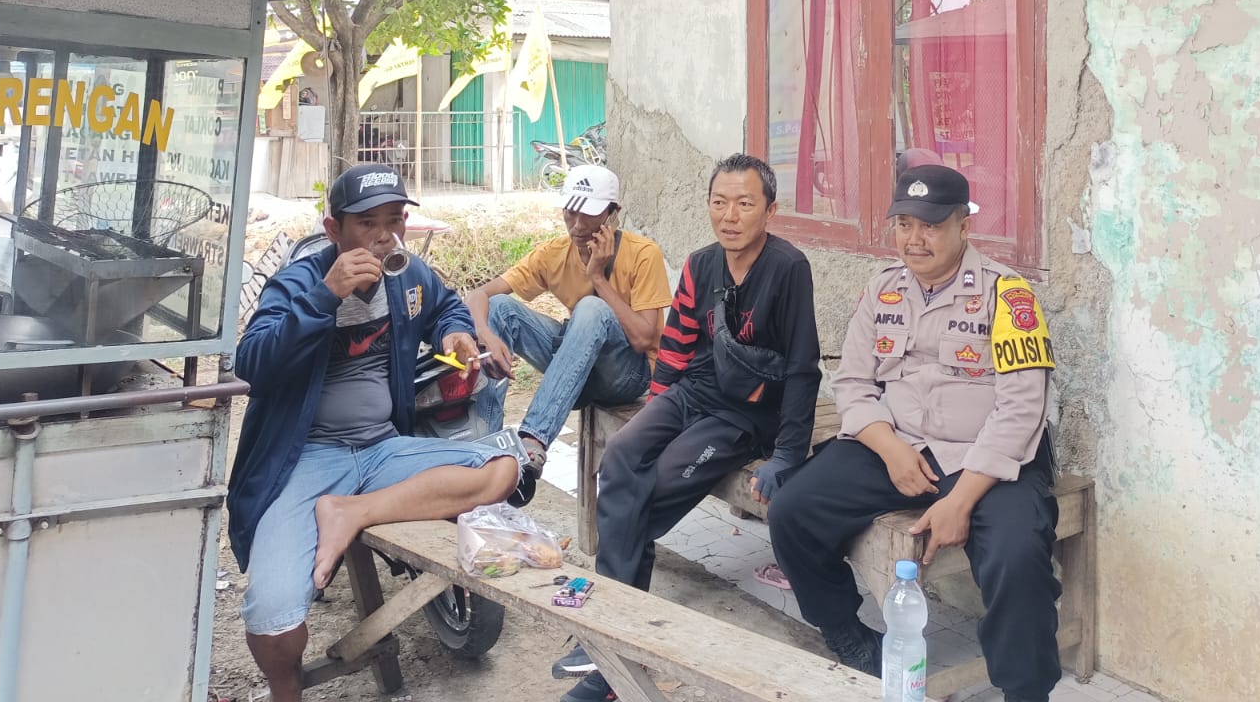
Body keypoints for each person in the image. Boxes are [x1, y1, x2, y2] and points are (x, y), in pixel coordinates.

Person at [227, 163, 523, 702]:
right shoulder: (298, 283)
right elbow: (252, 363)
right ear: (333, 229)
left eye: (394, 220)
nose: (385, 236)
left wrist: (455, 333)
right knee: (272, 619)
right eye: (367, 223)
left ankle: (352, 511)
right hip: (307, 458)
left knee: (506, 466)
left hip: (383, 448)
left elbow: (446, 305)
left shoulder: (407, 276)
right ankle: (284, 691)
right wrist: (325, 297)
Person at [766, 165, 1061, 702]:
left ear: (963, 226)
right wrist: (891, 450)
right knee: (792, 510)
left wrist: (959, 502)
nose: (914, 239)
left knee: (1017, 556)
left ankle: (1025, 691)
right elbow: (853, 383)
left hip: (985, 458)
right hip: (899, 445)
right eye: (904, 224)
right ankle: (848, 634)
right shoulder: (883, 289)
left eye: (930, 225)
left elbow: (1023, 410)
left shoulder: (1007, 295)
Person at [553, 153, 821, 702]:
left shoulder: (788, 268)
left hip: (746, 413)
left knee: (649, 490)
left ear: (770, 211)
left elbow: (802, 367)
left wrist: (788, 454)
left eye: (744, 204)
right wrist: (657, 413)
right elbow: (676, 342)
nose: (730, 216)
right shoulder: (701, 264)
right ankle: (615, 632)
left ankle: (613, 637)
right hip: (693, 391)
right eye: (719, 202)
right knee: (622, 455)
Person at [466, 164, 672, 480]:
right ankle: (486, 446)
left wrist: (598, 278)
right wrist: (485, 334)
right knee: (499, 307)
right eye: (570, 213)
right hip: (577, 366)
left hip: (628, 374)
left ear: (612, 214)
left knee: (591, 308)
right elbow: (479, 294)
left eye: (588, 215)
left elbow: (645, 339)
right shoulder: (554, 253)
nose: (577, 226)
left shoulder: (643, 253)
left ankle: (533, 439)